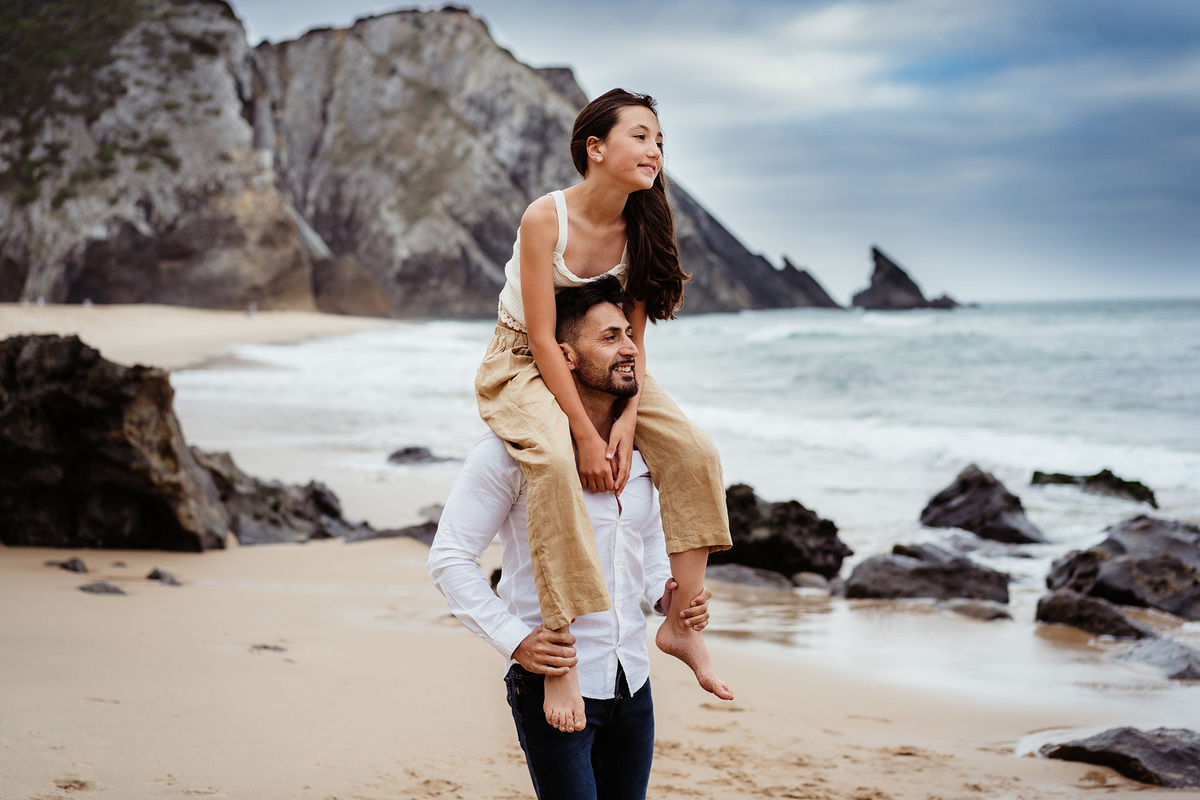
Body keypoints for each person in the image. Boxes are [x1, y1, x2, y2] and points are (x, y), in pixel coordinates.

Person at [474, 88, 733, 733]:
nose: (655, 150)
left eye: (659, 140)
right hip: (523, 360)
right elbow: (539, 339)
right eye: (640, 136)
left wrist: (621, 419)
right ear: (596, 148)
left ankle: (678, 623)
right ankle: (560, 655)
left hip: (609, 364)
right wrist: (587, 438)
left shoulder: (642, 226)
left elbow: (633, 348)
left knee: (694, 451)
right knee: (557, 464)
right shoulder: (546, 218)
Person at [429, 279, 717, 799]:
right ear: (566, 355)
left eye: (629, 335)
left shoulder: (644, 452)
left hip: (632, 678)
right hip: (555, 681)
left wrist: (666, 595)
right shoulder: (511, 454)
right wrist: (515, 640)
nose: (630, 347)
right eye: (609, 338)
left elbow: (647, 544)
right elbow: (449, 558)